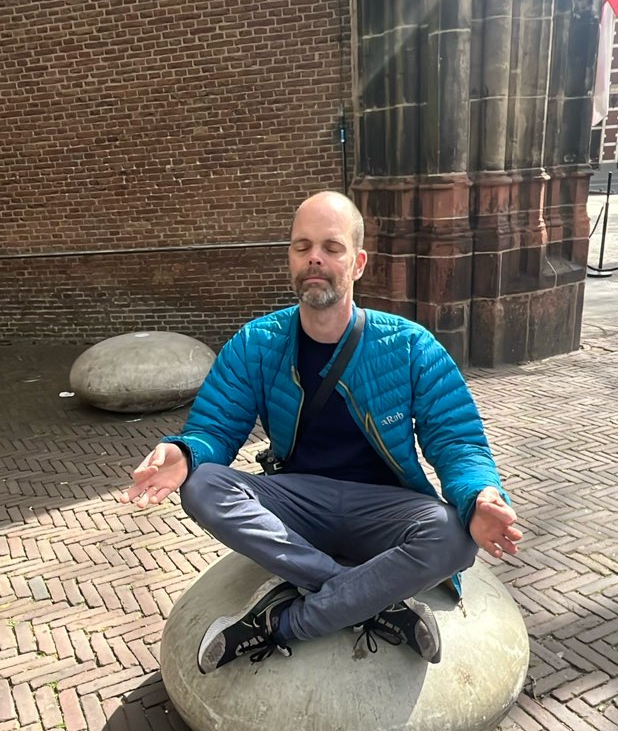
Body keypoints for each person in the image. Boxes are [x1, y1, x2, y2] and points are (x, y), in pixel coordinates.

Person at [120, 191, 521, 673]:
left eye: (331, 247)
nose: (315, 257)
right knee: (203, 485)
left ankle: (281, 623)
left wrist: (480, 495)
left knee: (455, 537)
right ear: (290, 258)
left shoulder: (411, 346)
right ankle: (369, 600)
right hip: (299, 505)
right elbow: (215, 428)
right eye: (302, 246)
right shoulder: (255, 343)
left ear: (358, 263)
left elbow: (457, 441)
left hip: (384, 510)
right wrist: (187, 453)